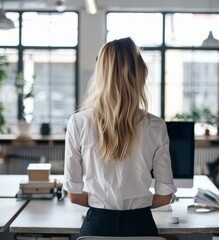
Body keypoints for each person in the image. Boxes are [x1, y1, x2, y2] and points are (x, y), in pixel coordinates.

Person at [62, 37, 177, 237]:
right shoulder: (156, 126)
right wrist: (138, 201)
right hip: (140, 226)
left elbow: (73, 195)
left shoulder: (78, 122)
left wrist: (103, 200)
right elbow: (165, 196)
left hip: (97, 227)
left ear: (100, 74)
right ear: (140, 73)